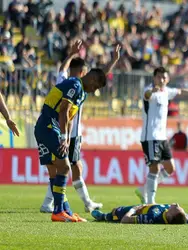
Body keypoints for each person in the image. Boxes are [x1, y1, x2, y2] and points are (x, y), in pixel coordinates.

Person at [40, 41, 121, 213]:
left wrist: (71, 54)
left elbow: (98, 75)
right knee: (70, 167)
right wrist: (113, 60)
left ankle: (53, 202)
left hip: (67, 131)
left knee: (64, 167)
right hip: (68, 132)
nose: (94, 88)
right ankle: (78, 203)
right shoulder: (77, 86)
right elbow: (100, 75)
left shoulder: (66, 80)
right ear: (84, 73)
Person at [34, 62, 107, 222]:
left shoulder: (83, 93)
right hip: (47, 125)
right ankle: (58, 211)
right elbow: (64, 110)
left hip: (48, 128)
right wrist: (62, 136)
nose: (94, 90)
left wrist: (66, 138)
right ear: (92, 79)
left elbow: (71, 117)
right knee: (65, 166)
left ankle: (65, 210)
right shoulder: (75, 84)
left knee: (55, 170)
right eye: (96, 87)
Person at [135, 66, 188, 205]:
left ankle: (144, 189)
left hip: (162, 137)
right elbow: (146, 95)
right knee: (155, 168)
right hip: (150, 137)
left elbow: (182, 91)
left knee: (170, 168)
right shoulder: (149, 90)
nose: (162, 80)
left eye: (164, 77)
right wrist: (152, 90)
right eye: (159, 77)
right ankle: (150, 202)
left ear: (168, 79)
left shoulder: (166, 92)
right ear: (154, 78)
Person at [91, 203, 188, 225]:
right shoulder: (184, 219)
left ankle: (104, 217)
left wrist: (133, 210)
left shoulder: (152, 218)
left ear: (172, 216)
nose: (177, 204)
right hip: (148, 205)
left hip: (139, 209)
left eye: (177, 208)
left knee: (116, 211)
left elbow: (125, 220)